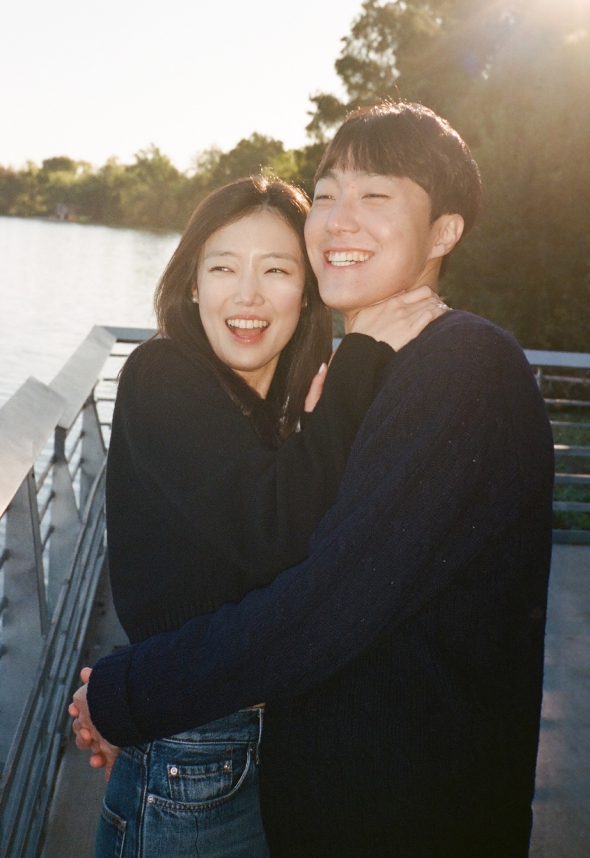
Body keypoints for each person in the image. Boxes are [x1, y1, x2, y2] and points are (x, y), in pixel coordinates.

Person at [71, 101, 555, 857]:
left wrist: (129, 693)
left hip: (409, 820)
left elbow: (327, 600)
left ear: (445, 231)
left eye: (375, 195)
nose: (339, 219)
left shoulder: (461, 364)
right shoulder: (371, 375)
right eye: (326, 195)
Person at [76, 175, 444, 857]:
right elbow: (278, 531)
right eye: (223, 268)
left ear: (306, 292)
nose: (247, 294)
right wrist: (363, 357)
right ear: (191, 284)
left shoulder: (281, 403)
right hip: (195, 749)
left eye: (276, 270)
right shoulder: (162, 376)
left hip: (260, 736)